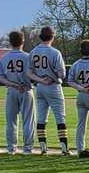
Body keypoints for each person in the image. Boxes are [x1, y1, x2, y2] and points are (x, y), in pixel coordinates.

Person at [29, 26, 68, 155]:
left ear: (40, 37)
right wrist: (53, 76)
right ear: (53, 36)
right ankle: (64, 148)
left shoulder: (34, 51)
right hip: (53, 86)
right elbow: (62, 74)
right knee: (60, 117)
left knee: (41, 118)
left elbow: (29, 72)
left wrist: (40, 80)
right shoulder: (55, 52)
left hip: (40, 86)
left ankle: (43, 148)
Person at [0, 30, 35, 154]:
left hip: (11, 89)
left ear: (10, 42)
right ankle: (27, 149)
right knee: (28, 120)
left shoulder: (4, 58)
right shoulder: (28, 56)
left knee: (11, 121)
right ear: (23, 41)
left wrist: (13, 84)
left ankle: (11, 148)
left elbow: (0, 77)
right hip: (26, 89)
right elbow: (34, 75)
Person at [66, 39, 89, 155]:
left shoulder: (76, 64)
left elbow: (70, 81)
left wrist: (82, 88)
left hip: (81, 95)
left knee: (81, 124)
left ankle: (80, 149)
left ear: (80, 51)